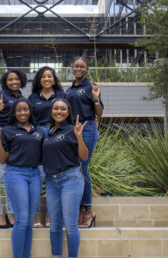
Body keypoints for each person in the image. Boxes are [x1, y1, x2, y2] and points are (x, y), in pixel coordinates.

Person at [0, 97, 44, 258]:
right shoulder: (7, 131)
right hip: (16, 174)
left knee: (29, 221)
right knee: (21, 219)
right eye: (18, 110)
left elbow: (42, 156)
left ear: (30, 111)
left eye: (25, 109)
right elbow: (2, 159)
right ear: (14, 113)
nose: (22, 112)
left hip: (34, 175)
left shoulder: (38, 132)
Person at [42, 98, 88, 258]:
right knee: (54, 225)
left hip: (70, 179)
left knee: (70, 224)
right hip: (51, 181)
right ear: (51, 111)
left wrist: (79, 136)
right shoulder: (48, 133)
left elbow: (83, 156)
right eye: (55, 108)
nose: (59, 111)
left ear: (68, 112)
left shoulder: (72, 130)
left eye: (63, 109)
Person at [66, 56, 104, 228]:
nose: (79, 69)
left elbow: (100, 112)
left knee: (82, 167)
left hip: (87, 129)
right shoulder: (69, 89)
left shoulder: (91, 86)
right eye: (76, 66)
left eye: (82, 66)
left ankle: (88, 210)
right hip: (72, 131)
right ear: (72, 68)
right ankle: (80, 209)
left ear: (87, 69)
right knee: (75, 168)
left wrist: (96, 98)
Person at [0, 70, 27, 228]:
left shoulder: (22, 98)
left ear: (21, 80)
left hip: (15, 138)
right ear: (6, 81)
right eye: (10, 79)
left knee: (11, 175)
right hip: (0, 134)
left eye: (17, 79)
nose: (14, 82)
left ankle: (11, 212)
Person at [28, 66, 65, 228]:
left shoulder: (61, 96)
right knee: (39, 176)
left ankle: (50, 214)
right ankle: (36, 214)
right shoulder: (33, 97)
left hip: (56, 133)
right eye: (43, 76)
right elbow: (27, 118)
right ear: (39, 80)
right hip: (38, 134)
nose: (47, 79)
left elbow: (67, 114)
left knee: (54, 176)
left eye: (50, 76)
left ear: (54, 79)